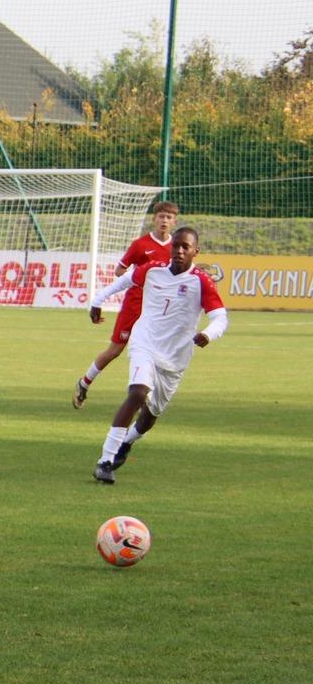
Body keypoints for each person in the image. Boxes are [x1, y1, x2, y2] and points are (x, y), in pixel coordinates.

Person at [85, 226, 224, 484]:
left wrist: (209, 333)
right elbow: (125, 280)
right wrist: (97, 300)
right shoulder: (152, 269)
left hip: (175, 359)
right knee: (138, 392)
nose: (179, 251)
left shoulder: (201, 281)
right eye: (176, 245)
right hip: (145, 343)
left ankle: (127, 442)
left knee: (150, 416)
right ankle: (105, 460)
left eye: (186, 247)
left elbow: (220, 317)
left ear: (196, 251)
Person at [74, 199, 180, 408]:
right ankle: (84, 383)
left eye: (169, 217)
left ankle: (143, 393)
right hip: (134, 305)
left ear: (174, 222)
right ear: (154, 219)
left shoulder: (177, 247)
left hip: (158, 309)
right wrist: (142, 274)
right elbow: (119, 271)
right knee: (115, 350)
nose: (164, 221)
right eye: (161, 217)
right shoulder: (140, 245)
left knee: (156, 351)